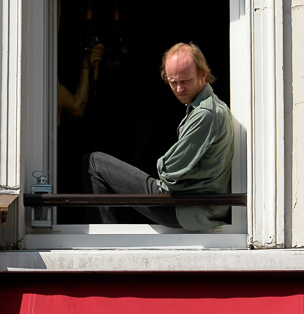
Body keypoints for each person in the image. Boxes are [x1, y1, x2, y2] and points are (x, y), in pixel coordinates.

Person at [82, 42, 234, 230]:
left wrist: (161, 163)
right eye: (173, 82)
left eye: (185, 81)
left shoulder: (206, 113)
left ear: (203, 74)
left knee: (93, 162)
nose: (179, 89)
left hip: (183, 209)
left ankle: (105, 242)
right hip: (195, 209)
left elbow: (169, 171)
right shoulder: (208, 108)